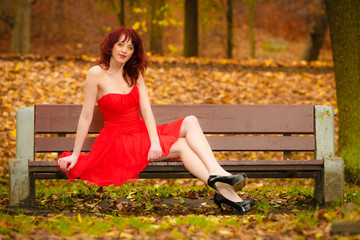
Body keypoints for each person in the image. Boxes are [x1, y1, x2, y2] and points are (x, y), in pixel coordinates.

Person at [57, 27, 254, 213]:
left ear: (135, 52)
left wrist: (154, 142)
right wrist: (75, 154)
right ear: (110, 46)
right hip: (118, 141)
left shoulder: (134, 74)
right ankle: (228, 194)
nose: (124, 50)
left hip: (140, 133)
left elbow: (146, 111)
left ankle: (217, 174)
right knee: (182, 146)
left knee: (191, 121)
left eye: (130, 47)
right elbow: (85, 117)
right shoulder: (96, 74)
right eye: (120, 44)